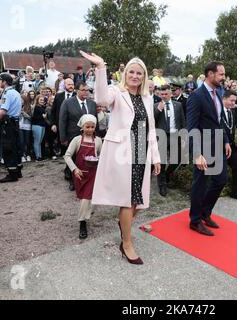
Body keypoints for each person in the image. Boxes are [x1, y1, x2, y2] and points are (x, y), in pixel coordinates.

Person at [80, 51, 161, 265]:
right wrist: (100, 68)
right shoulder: (117, 92)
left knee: (137, 200)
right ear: (125, 74)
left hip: (141, 150)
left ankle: (123, 224)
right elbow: (101, 98)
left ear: (144, 77)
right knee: (129, 199)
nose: (135, 76)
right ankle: (126, 244)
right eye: (131, 72)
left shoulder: (147, 97)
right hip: (122, 152)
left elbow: (150, 128)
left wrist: (156, 156)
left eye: (139, 73)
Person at [186, 61, 232, 237]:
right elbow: (192, 127)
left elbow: (219, 120)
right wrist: (197, 154)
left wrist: (226, 141)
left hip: (218, 144)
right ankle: (195, 220)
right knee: (200, 184)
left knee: (220, 180)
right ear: (210, 74)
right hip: (203, 149)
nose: (223, 77)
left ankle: (205, 212)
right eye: (221, 74)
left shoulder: (219, 92)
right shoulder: (196, 96)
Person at [64, 114, 103, 239]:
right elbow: (67, 156)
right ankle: (83, 220)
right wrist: (74, 169)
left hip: (93, 173)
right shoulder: (77, 140)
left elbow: (102, 155)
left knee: (89, 199)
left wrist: (99, 161)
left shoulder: (98, 140)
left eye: (92, 127)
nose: (90, 129)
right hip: (80, 174)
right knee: (84, 199)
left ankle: (83, 220)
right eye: (88, 127)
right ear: (82, 127)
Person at [59, 81, 98, 191]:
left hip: (89, 137)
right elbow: (62, 121)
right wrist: (63, 138)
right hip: (73, 136)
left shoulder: (92, 104)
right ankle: (73, 181)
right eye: (83, 90)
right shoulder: (67, 103)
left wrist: (97, 136)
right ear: (77, 90)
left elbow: (96, 122)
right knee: (74, 159)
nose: (86, 92)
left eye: (87, 90)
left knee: (87, 160)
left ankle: (87, 180)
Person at [154, 85, 186, 197]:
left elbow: (182, 120)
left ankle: (167, 175)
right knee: (161, 162)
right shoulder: (156, 106)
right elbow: (152, 120)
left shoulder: (178, 105)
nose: (163, 96)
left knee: (177, 159)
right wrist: (159, 110)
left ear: (170, 94)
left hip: (175, 135)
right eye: (161, 94)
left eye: (166, 94)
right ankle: (162, 185)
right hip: (162, 136)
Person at [0, 73, 23, 183]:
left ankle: (12, 174)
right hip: (15, 122)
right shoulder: (16, 92)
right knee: (16, 147)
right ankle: (18, 170)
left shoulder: (7, 93)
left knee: (8, 147)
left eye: (0, 80)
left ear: (4, 81)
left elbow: (3, 111)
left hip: (9, 123)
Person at [31, 95, 47, 161]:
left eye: (43, 100)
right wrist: (42, 116)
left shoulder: (42, 107)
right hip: (37, 126)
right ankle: (37, 157)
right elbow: (33, 118)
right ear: (37, 100)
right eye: (40, 100)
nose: (42, 101)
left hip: (42, 125)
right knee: (37, 141)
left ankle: (40, 156)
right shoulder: (36, 107)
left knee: (40, 142)